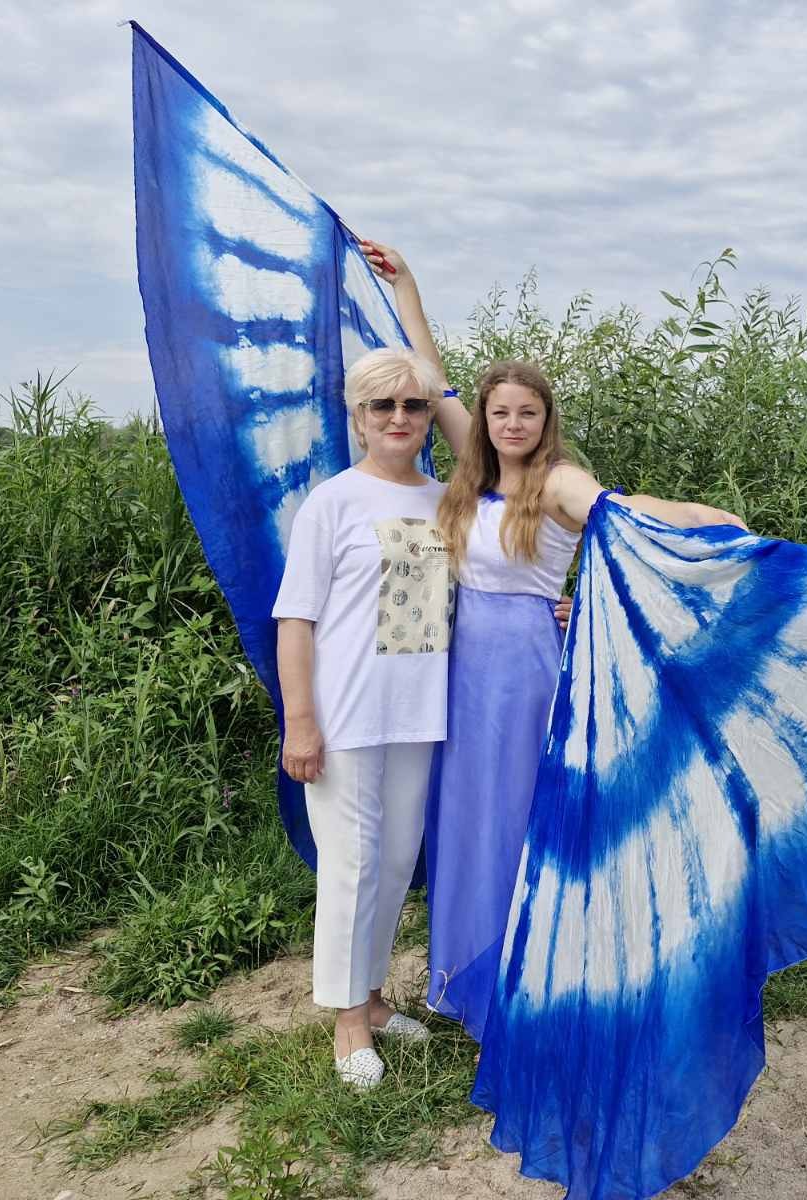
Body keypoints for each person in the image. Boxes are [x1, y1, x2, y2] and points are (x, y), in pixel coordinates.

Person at [359, 240, 745, 1041]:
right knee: (462, 819)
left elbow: (630, 513)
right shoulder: (476, 470)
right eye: (499, 412)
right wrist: (408, 289)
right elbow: (432, 374)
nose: (511, 424)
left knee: (513, 819)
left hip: (525, 675)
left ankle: (524, 986)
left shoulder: (557, 481)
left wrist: (715, 523)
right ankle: (463, 979)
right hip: (460, 673)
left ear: (545, 421)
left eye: (526, 413)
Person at [271, 344, 458, 1090]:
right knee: (350, 865)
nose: (399, 417)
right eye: (383, 404)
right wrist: (301, 722)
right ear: (358, 418)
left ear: (428, 417)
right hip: (345, 717)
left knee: (394, 863)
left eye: (414, 404)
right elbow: (295, 619)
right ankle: (347, 1022)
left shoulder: (446, 502)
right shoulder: (333, 503)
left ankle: (375, 1000)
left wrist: (557, 608)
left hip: (419, 714)